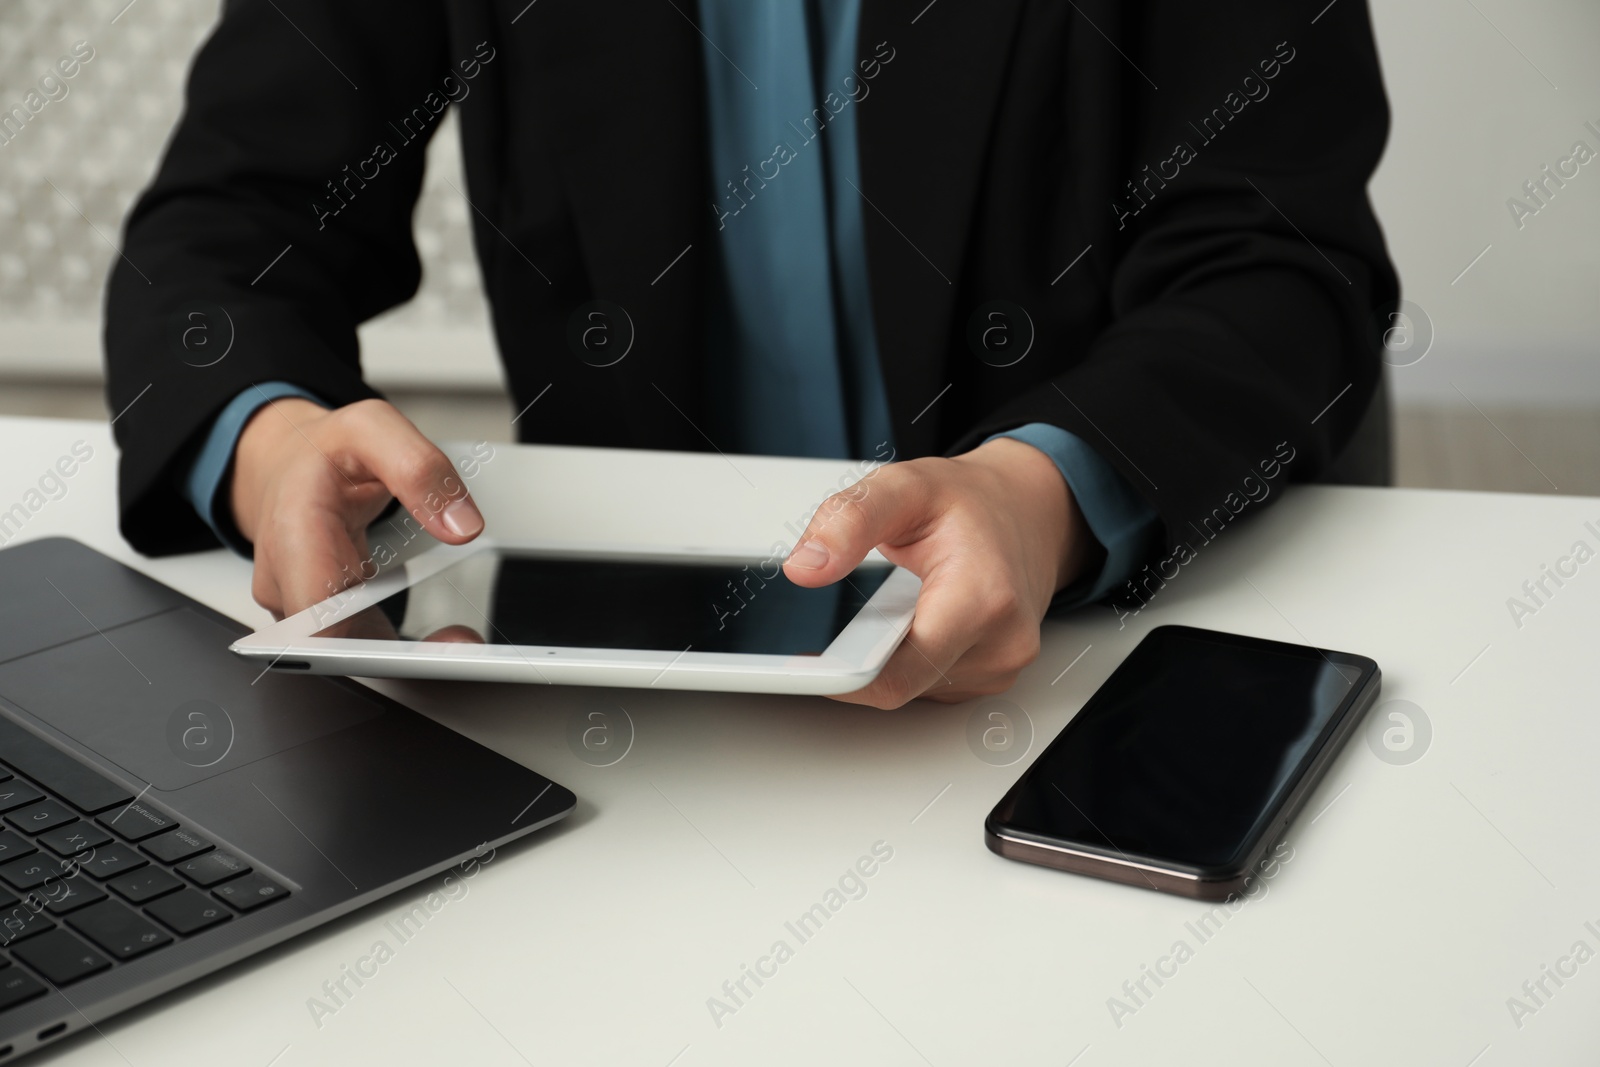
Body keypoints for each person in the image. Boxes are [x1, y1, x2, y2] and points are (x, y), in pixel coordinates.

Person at [104, 0, 1398, 709]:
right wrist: (266, 436)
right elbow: (228, 223)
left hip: (1100, 651)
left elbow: (1280, 261)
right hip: (644, 700)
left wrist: (1045, 492)